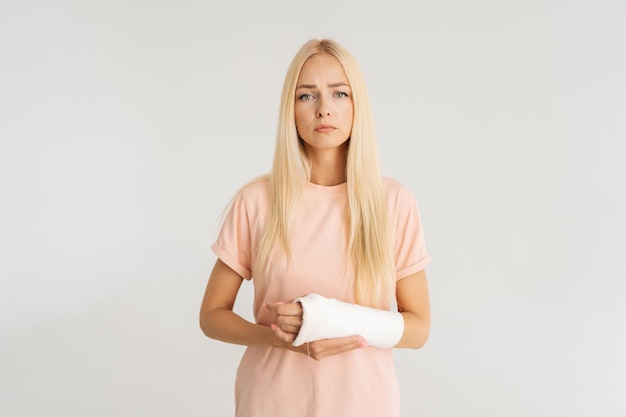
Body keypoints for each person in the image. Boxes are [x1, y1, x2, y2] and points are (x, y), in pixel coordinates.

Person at [199, 38, 431, 417]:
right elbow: (211, 315)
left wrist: (336, 320)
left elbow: (419, 329)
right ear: (290, 110)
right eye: (307, 96)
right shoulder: (257, 201)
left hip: (365, 404)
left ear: (359, 106)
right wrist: (278, 340)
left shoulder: (393, 202)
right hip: (271, 402)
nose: (324, 109)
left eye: (340, 94)